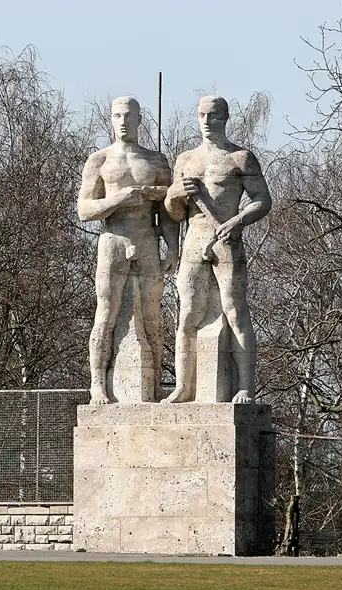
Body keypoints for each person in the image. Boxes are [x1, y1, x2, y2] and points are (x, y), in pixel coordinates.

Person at [162, 96, 273, 404]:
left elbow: (262, 200)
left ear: (225, 117)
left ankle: (245, 387)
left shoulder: (241, 157)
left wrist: (238, 221)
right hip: (195, 240)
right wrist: (175, 193)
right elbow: (173, 213)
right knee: (187, 315)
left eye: (213, 115)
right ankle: (184, 386)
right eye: (201, 115)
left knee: (235, 310)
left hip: (227, 239)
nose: (207, 121)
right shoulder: (186, 160)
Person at [77, 96, 178, 405]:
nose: (123, 121)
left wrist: (173, 247)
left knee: (152, 317)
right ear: (111, 119)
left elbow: (170, 210)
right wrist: (118, 199)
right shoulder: (100, 159)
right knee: (105, 313)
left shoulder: (156, 160)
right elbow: (84, 209)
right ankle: (97, 384)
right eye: (117, 116)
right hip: (113, 240)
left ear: (139, 120)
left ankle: (154, 386)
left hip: (147, 240)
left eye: (129, 116)